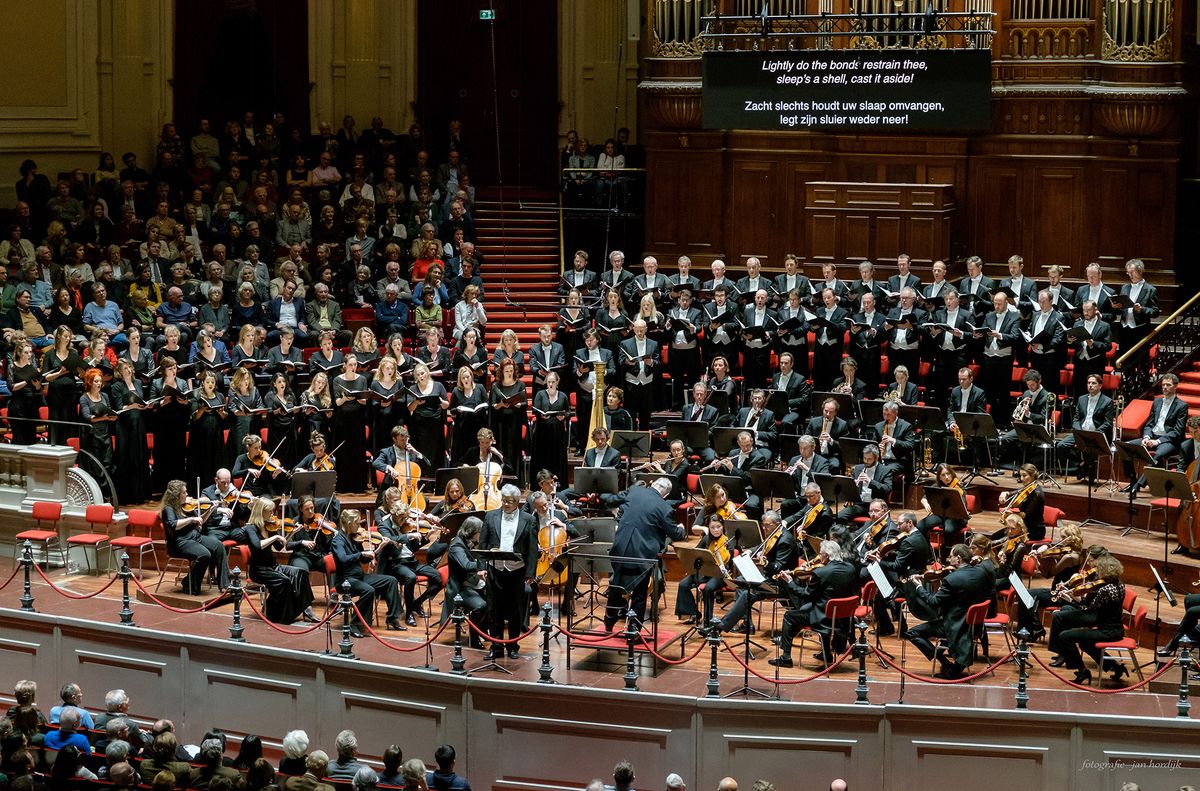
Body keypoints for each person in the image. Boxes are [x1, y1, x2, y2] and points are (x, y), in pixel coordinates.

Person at [902, 543, 996, 679]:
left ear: (958, 558)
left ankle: (945, 663)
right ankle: (951, 664)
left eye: (951, 556)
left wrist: (918, 586)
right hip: (973, 625)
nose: (948, 559)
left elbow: (934, 602)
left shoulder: (951, 580)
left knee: (912, 633)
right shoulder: (981, 573)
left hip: (955, 624)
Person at [604, 478, 687, 630]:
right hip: (642, 554)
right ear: (666, 495)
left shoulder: (634, 491)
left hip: (620, 547)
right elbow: (675, 533)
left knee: (616, 584)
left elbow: (612, 501)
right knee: (639, 593)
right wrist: (682, 528)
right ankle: (634, 629)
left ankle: (609, 623)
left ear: (652, 484)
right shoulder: (664, 507)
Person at [769, 539, 860, 667]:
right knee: (809, 608)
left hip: (823, 618)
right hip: (842, 619)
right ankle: (826, 653)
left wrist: (790, 582)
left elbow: (806, 595)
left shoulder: (821, 572)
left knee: (790, 616)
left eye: (820, 553)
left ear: (826, 556)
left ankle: (786, 658)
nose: (819, 556)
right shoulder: (850, 569)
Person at [1047, 554, 1128, 684]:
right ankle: (1116, 667)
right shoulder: (1120, 585)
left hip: (1107, 631)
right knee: (1085, 643)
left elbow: (1088, 609)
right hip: (1115, 629)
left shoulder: (1105, 590)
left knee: (1064, 636)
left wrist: (1070, 597)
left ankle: (1082, 671)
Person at [480, 485, 538, 658]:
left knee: (515, 610)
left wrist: (530, 573)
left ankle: (512, 646)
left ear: (518, 502)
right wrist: (481, 568)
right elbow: (483, 544)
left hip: (516, 571)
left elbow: (532, 549)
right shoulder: (491, 516)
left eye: (510, 502)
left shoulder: (528, 519)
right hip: (495, 569)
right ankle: (496, 647)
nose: (506, 504)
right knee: (494, 610)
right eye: (504, 501)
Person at [238, 498, 317, 624]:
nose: (272, 515)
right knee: (284, 581)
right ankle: (275, 613)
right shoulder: (250, 528)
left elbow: (281, 546)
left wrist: (291, 533)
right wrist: (275, 536)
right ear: (261, 512)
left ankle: (305, 608)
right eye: (270, 512)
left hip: (273, 566)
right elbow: (257, 545)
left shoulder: (270, 526)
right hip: (259, 570)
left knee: (301, 573)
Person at [330, 509, 402, 635]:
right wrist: (361, 554)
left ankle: (392, 618)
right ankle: (355, 624)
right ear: (348, 524)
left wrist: (377, 550)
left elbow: (363, 560)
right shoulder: (338, 541)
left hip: (359, 576)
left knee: (391, 580)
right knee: (368, 590)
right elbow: (342, 559)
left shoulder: (355, 538)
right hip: (345, 580)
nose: (359, 527)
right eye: (357, 524)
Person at [1123, 372, 1188, 495]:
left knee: (1157, 456)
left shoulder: (1182, 406)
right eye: (1163, 385)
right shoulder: (1157, 402)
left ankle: (1137, 486)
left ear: (1175, 386)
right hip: (1152, 437)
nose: (1165, 387)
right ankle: (1132, 481)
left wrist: (1158, 441)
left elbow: (1177, 431)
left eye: (1168, 385)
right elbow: (1149, 424)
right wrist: (1146, 436)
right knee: (1126, 447)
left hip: (1170, 441)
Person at [160, 479, 229, 594]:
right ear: (176, 495)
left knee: (219, 546)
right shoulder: (169, 508)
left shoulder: (188, 506)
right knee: (204, 554)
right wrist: (191, 519)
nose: (187, 494)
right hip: (180, 542)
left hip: (195, 537)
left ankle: (225, 585)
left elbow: (200, 521)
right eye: (184, 492)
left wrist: (210, 511)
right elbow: (173, 525)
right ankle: (189, 582)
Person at [676, 515, 728, 626]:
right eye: (712, 527)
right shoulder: (706, 539)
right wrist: (691, 567)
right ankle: (693, 613)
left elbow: (731, 560)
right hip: (705, 572)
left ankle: (708, 621)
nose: (716, 530)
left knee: (708, 588)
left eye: (718, 527)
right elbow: (695, 553)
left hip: (720, 575)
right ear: (708, 527)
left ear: (723, 526)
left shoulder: (728, 541)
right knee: (683, 584)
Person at [332, 354, 370, 492]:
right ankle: (343, 485)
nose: (353, 367)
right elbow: (337, 402)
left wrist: (357, 398)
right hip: (342, 420)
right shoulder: (337, 380)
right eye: (350, 365)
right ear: (345, 366)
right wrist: (346, 398)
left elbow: (364, 401)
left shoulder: (362, 379)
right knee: (344, 452)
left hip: (357, 420)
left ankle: (358, 485)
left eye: (355, 365)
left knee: (357, 452)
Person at [490, 357, 527, 488]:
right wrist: (501, 404)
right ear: (502, 371)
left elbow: (525, 403)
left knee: (513, 451)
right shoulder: (496, 386)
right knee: (501, 451)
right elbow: (493, 405)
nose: (509, 373)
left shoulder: (520, 385)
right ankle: (500, 482)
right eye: (507, 371)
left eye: (511, 370)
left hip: (514, 423)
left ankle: (515, 481)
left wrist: (517, 405)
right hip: (500, 424)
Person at [530, 371, 569, 483]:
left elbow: (567, 412)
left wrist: (563, 417)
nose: (551, 384)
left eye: (553, 382)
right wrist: (541, 415)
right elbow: (535, 410)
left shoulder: (562, 396)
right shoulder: (540, 394)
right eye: (549, 382)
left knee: (557, 457)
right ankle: (540, 483)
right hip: (542, 431)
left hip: (557, 432)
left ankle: (558, 483)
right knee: (542, 457)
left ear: (557, 382)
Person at [998, 463, 1046, 541]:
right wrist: (1005, 493)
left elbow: (1025, 515)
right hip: (1022, 526)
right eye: (1020, 475)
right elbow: (1015, 493)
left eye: (1024, 475)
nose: (1021, 478)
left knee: (998, 539)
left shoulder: (1038, 494)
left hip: (1035, 530)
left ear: (1033, 476)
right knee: (995, 537)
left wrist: (1010, 513)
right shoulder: (1027, 489)